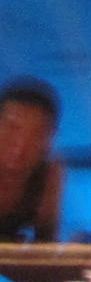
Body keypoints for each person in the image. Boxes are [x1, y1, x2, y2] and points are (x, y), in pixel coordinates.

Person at [0, 79, 63, 242]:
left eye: (36, 134)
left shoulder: (47, 177)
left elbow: (46, 244)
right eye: (12, 128)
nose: (21, 144)